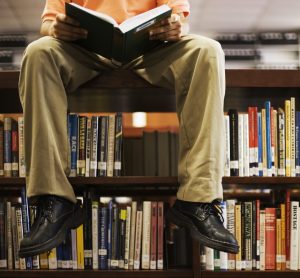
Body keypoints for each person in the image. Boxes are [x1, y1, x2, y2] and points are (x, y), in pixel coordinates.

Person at [19, 0, 239, 258]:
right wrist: (55, 29)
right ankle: (53, 199)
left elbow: (179, 18)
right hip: (84, 50)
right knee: (38, 52)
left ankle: (198, 199)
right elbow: (48, 22)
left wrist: (176, 27)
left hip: (151, 51)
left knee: (208, 50)